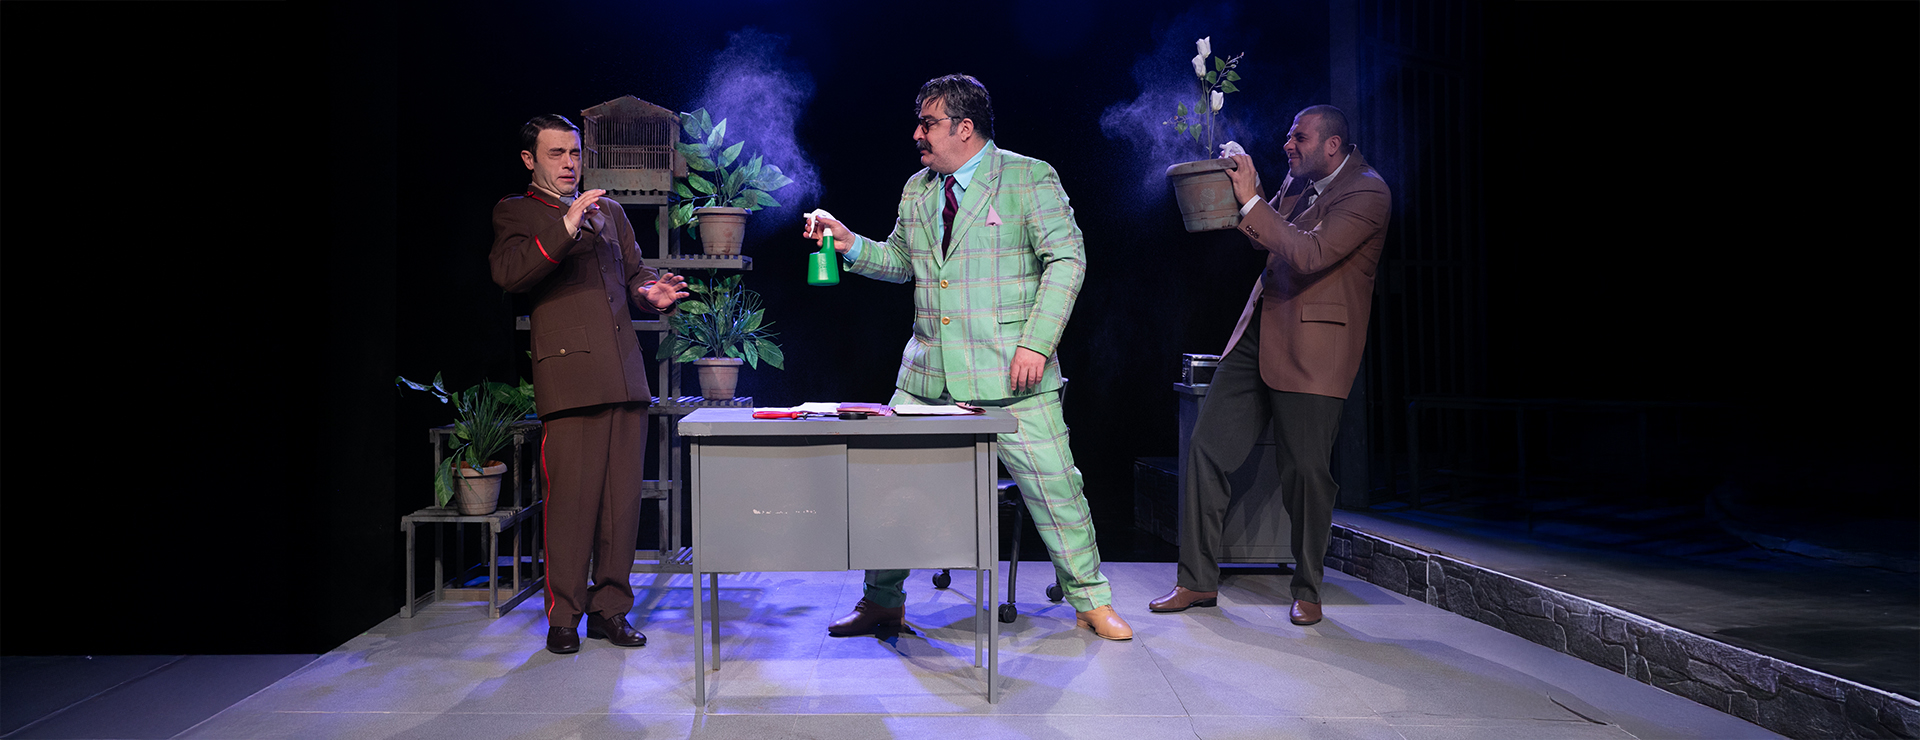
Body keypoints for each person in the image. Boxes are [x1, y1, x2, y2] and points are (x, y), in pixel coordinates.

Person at [802, 74, 1132, 641]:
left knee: (1056, 488)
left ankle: (1090, 600)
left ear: (964, 127)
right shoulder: (918, 189)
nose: (917, 134)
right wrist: (849, 242)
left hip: (1012, 373)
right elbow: (901, 262)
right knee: (889, 488)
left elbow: (1067, 260)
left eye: (927, 123)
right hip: (926, 375)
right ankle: (882, 601)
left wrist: (1036, 342)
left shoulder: (1028, 177)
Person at [1148, 105, 1391, 627]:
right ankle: (1196, 580)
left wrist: (1253, 200)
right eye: (1289, 136)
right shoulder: (1300, 180)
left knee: (1305, 473)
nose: (1289, 145)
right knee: (1206, 449)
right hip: (1259, 332)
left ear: (1332, 145)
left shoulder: (1367, 192)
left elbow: (1309, 254)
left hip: (1314, 350)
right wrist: (1244, 183)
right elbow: (1263, 229)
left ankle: (1308, 589)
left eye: (1299, 138)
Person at [490, 114, 689, 654]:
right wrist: (566, 225)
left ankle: (610, 611)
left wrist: (651, 292)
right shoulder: (518, 211)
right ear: (530, 159)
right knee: (572, 505)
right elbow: (510, 274)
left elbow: (634, 273)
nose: (569, 163)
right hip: (571, 376)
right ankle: (563, 617)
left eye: (575, 152)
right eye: (556, 153)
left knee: (621, 507)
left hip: (624, 373)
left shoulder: (611, 211)